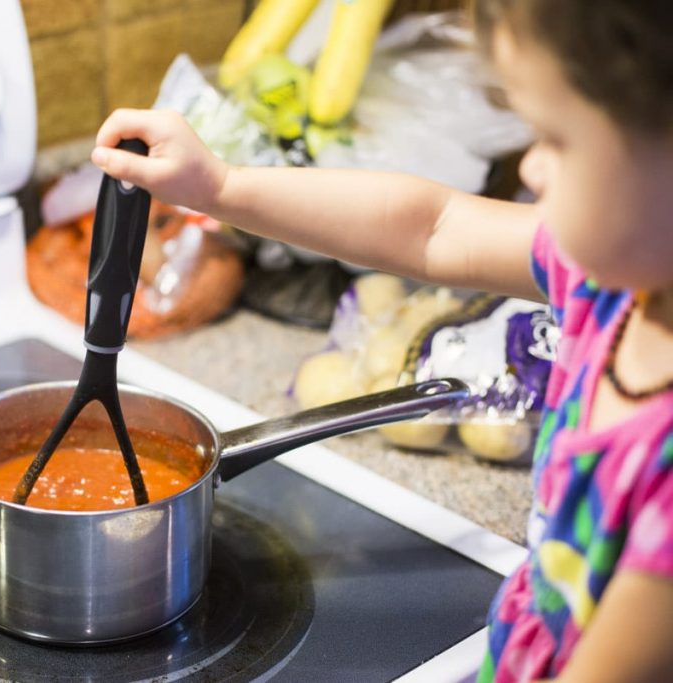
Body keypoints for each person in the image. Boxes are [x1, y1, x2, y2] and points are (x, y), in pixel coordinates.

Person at [89, 2, 673, 681]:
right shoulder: (609, 282)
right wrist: (222, 185)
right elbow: (433, 227)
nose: (533, 170)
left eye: (557, 140)